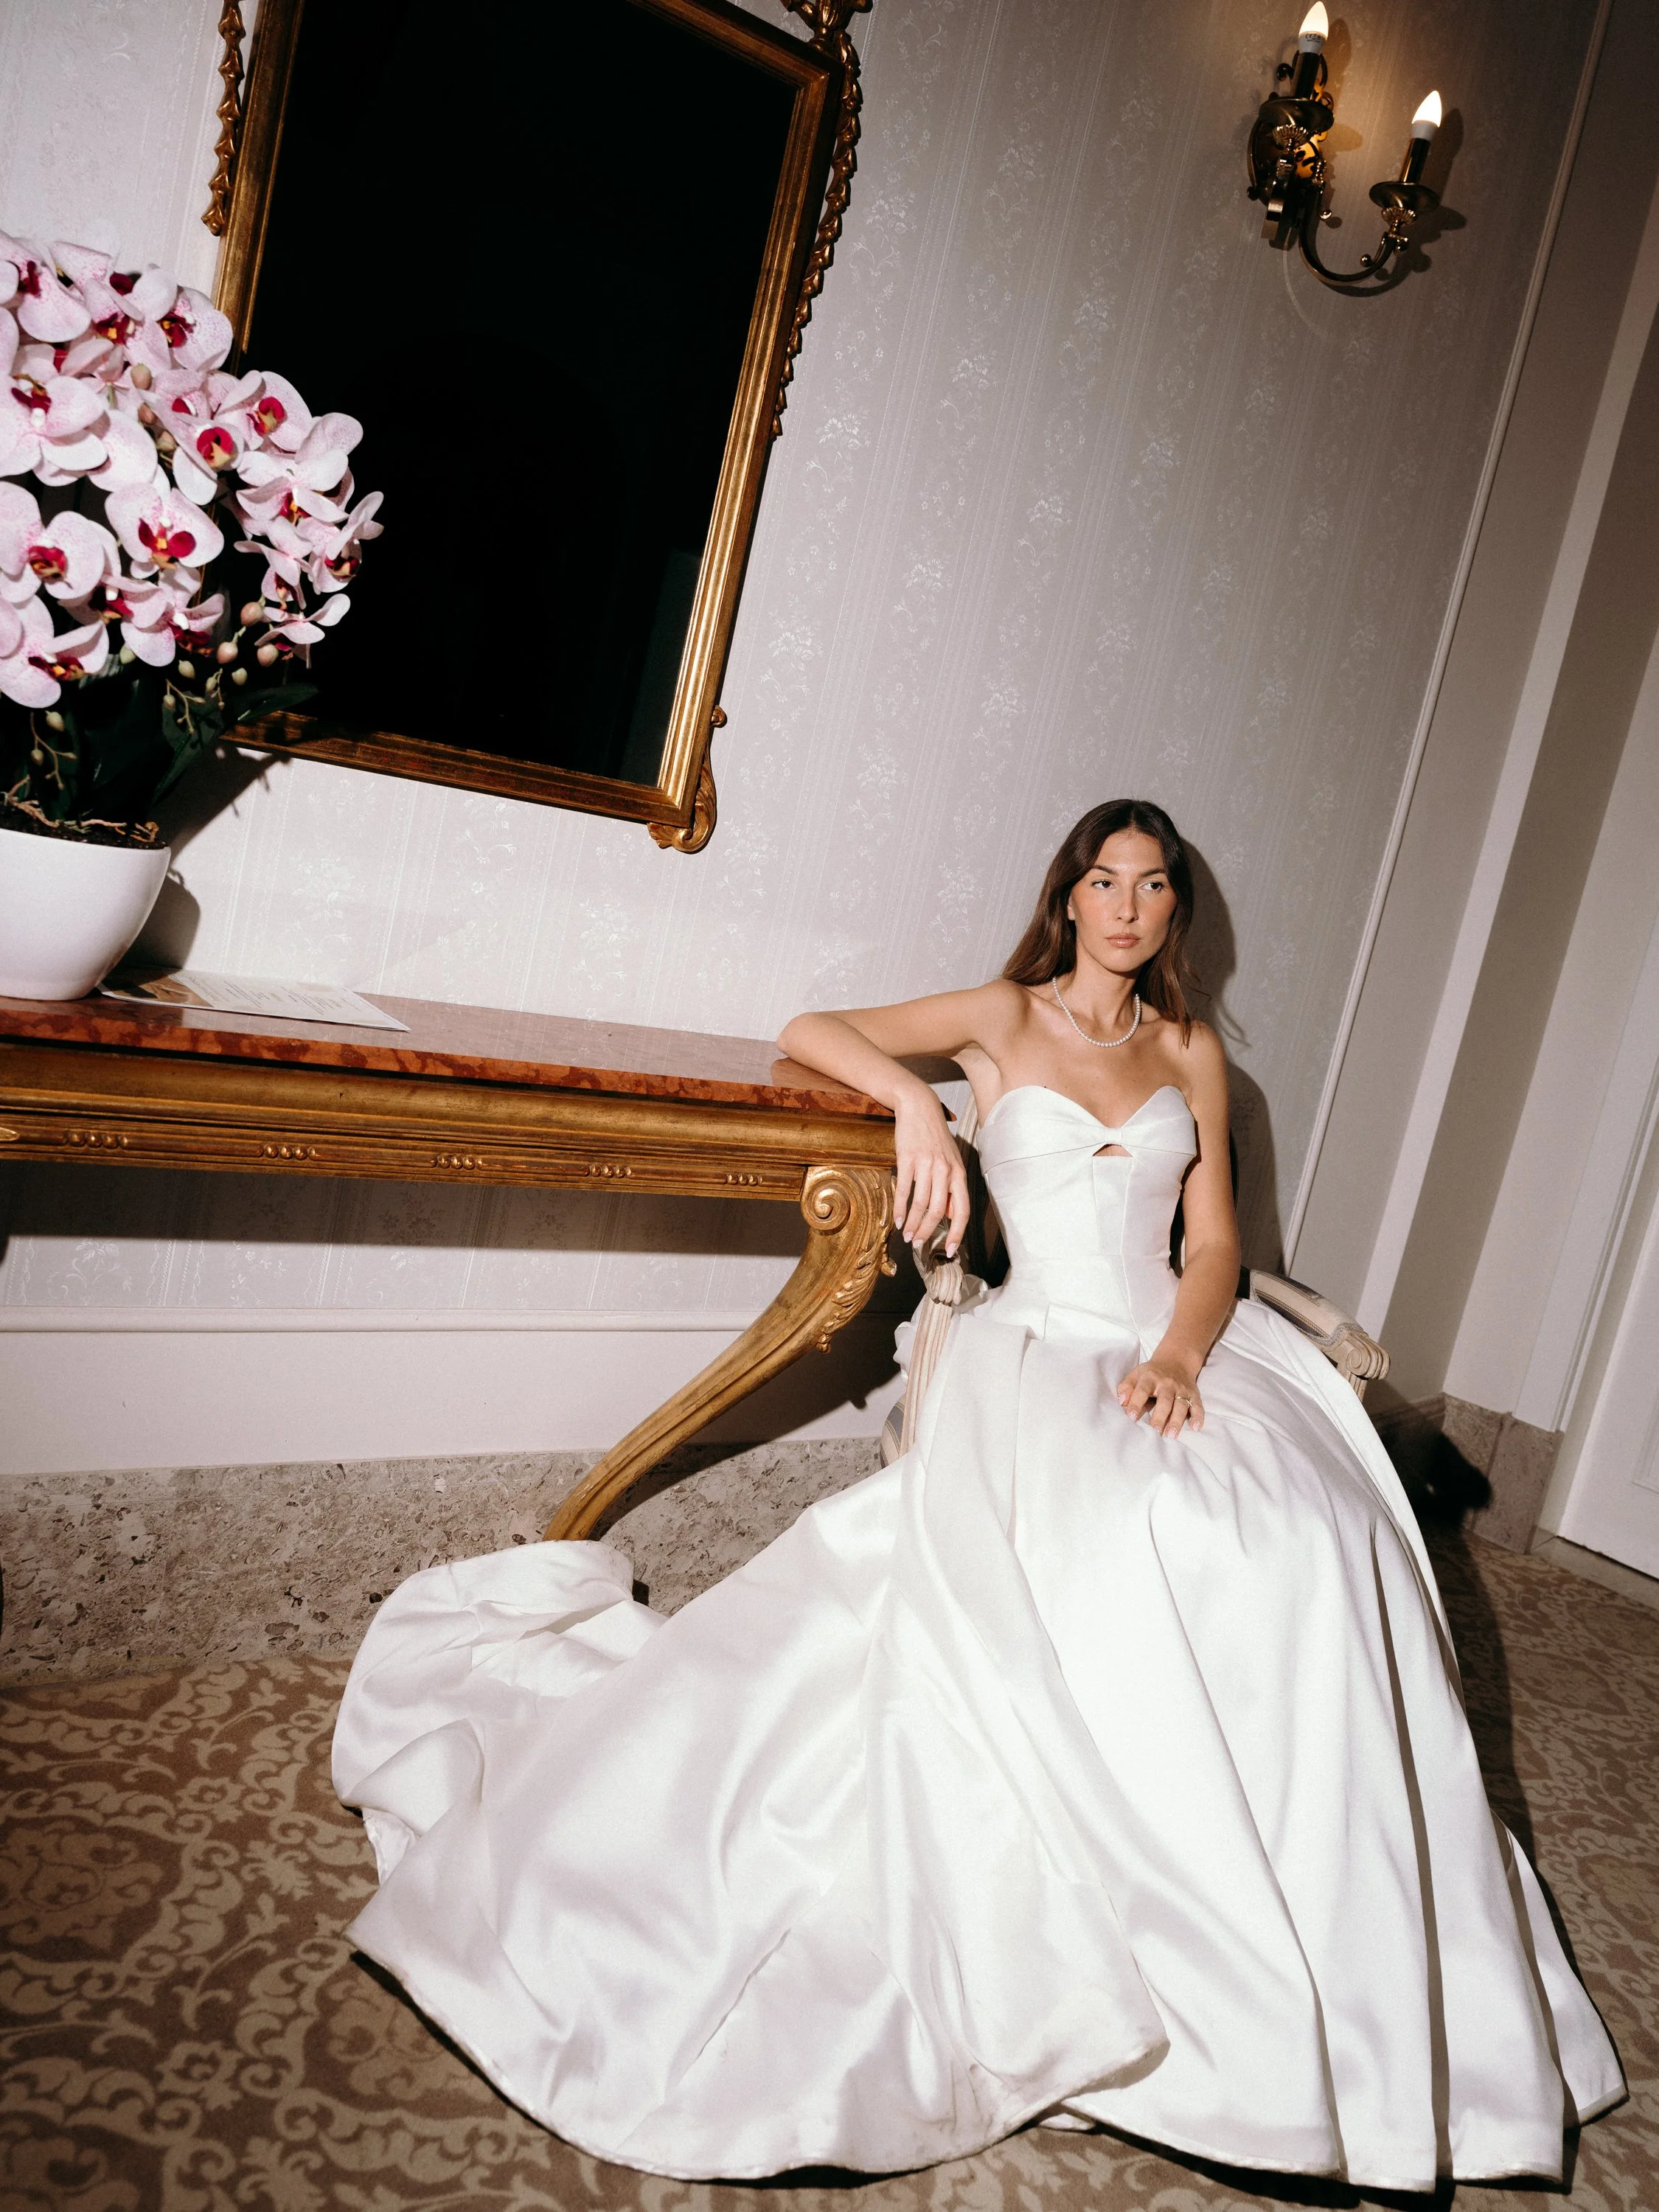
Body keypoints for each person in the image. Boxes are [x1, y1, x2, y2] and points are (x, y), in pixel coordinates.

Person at [333, 799, 1623, 2189]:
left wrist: (1184, 1358)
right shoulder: (1002, 1020)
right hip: (1033, 1352)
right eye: (1102, 882)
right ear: (1067, 898)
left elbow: (1217, 1246)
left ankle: (1328, 1988)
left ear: (1175, 913)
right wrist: (914, 1111)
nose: (1127, 909)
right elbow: (809, 1024)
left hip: (1176, 1345)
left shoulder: (1191, 1051)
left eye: (1154, 888)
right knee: (1140, 1528)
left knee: (1307, 1534)